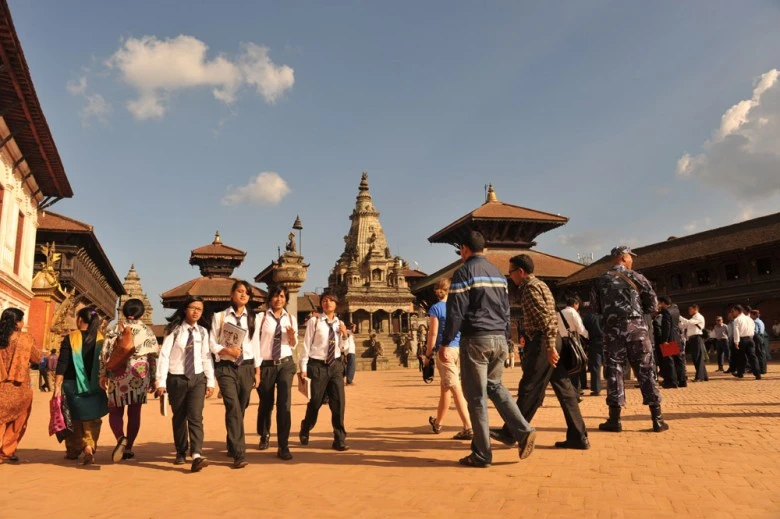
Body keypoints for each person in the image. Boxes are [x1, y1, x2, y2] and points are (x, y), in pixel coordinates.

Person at [442, 231, 536, 467]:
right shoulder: (498, 274)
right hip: (499, 339)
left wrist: (445, 342)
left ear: (464, 249)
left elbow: (455, 312)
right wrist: (506, 338)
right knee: (495, 386)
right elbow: (506, 310)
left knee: (475, 397)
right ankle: (523, 430)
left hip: (476, 339)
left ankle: (482, 453)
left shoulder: (463, 272)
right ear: (484, 249)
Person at [492, 254, 590, 450]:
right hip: (553, 340)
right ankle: (578, 435)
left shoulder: (528, 289)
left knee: (530, 387)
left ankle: (512, 432)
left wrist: (550, 346)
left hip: (544, 341)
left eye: (511, 272)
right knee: (565, 389)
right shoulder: (542, 285)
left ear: (520, 271)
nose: (510, 276)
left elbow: (546, 319)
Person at [590, 246, 668, 433]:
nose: (632, 260)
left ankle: (614, 420)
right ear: (624, 258)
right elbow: (653, 305)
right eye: (630, 258)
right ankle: (657, 419)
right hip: (637, 331)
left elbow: (595, 308)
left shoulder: (600, 280)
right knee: (646, 370)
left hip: (612, 331)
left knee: (615, 371)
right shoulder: (638, 278)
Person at [156, 296, 215, 472]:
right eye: (193, 308)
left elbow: (206, 356)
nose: (196, 311)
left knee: (196, 416)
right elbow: (164, 355)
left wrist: (210, 381)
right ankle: (181, 451)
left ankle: (196, 454)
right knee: (180, 417)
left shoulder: (203, 332)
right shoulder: (173, 330)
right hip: (177, 378)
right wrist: (161, 381)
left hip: (197, 378)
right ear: (185, 309)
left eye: (200, 309)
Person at [100, 298, 159, 462]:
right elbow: (153, 357)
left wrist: (103, 373)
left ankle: (120, 437)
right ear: (142, 313)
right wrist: (154, 378)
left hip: (117, 374)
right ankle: (129, 448)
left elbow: (105, 354)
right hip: (138, 375)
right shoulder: (147, 331)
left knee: (115, 411)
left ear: (124, 312)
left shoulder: (115, 330)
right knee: (134, 413)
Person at [209, 280, 260, 469]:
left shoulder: (253, 318)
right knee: (233, 406)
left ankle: (232, 441)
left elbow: (256, 346)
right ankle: (239, 453)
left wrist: (257, 370)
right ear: (232, 294)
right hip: (226, 367)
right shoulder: (220, 317)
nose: (243, 295)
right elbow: (212, 343)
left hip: (246, 366)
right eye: (239, 291)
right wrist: (227, 351)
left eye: (246, 292)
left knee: (241, 406)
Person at [53, 306, 110, 464]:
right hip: (95, 385)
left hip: (72, 384)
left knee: (73, 418)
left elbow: (62, 363)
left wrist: (57, 386)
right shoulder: (102, 339)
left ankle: (73, 450)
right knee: (92, 419)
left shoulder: (71, 338)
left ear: (79, 320)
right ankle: (89, 446)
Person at [423, 278, 472, 441]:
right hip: (459, 349)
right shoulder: (457, 307)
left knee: (455, 388)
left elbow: (433, 333)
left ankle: (468, 426)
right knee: (446, 386)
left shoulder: (436, 308)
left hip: (445, 350)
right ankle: (438, 423)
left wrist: (428, 354)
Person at [299, 292, 349, 451]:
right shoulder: (314, 322)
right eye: (325, 300)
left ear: (336, 304)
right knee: (316, 402)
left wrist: (345, 334)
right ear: (321, 304)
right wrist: (303, 367)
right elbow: (306, 345)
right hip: (317, 365)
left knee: (338, 403)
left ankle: (339, 438)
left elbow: (344, 348)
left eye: (331, 301)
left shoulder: (339, 323)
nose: (328, 303)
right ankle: (306, 426)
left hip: (335, 365)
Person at [255, 284, 299, 461]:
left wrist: (291, 336)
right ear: (269, 299)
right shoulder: (261, 318)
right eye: (275, 296)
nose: (278, 299)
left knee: (284, 404)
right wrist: (256, 368)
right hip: (266, 364)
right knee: (266, 403)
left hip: (285, 364)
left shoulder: (291, 318)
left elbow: (293, 344)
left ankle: (283, 445)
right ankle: (264, 434)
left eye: (281, 296)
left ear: (286, 299)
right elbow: (254, 342)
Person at [0, 308, 42, 463]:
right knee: (18, 419)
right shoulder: (25, 339)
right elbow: (37, 358)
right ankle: (6, 451)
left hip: (1, 386)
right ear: (17, 322)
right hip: (19, 386)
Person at [558, 297, 589, 397]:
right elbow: (580, 328)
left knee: (566, 367)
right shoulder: (573, 313)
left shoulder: (559, 313)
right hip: (573, 341)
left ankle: (570, 390)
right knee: (576, 364)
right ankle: (576, 391)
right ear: (575, 304)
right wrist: (588, 336)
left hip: (562, 341)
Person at [655, 296, 687, 388]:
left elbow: (666, 327)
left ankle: (672, 382)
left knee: (669, 361)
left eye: (660, 303)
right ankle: (682, 381)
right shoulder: (676, 309)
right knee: (678, 360)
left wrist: (665, 340)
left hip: (669, 338)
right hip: (676, 337)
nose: (659, 305)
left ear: (663, 303)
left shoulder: (666, 311)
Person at [679, 304, 708, 382]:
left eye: (690, 309)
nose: (689, 311)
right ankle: (704, 376)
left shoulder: (699, 317)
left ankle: (699, 377)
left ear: (695, 309)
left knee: (698, 357)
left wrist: (679, 316)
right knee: (697, 357)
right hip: (693, 339)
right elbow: (683, 325)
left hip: (697, 338)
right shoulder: (693, 317)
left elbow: (688, 322)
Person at [730, 305, 760, 379]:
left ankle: (740, 373)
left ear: (737, 311)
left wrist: (736, 342)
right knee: (753, 357)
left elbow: (736, 331)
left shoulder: (737, 320)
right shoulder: (749, 319)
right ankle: (757, 373)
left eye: (733, 311)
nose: (733, 313)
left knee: (741, 357)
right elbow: (753, 328)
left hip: (742, 340)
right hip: (750, 339)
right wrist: (751, 338)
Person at [581, 303, 604, 396]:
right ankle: (613, 387)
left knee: (595, 366)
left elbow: (584, 331)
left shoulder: (588, 317)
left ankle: (596, 389)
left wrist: (586, 345)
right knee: (612, 365)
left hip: (594, 342)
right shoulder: (605, 315)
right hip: (607, 342)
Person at [750, 309, 767, 375]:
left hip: (757, 337)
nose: (750, 316)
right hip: (761, 337)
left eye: (751, 315)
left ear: (754, 315)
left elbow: (756, 331)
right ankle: (763, 369)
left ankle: (762, 370)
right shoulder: (760, 321)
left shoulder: (755, 322)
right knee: (762, 353)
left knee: (759, 354)